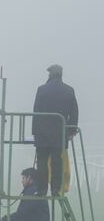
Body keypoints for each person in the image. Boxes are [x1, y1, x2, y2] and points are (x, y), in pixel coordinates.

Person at [32, 64, 78, 196]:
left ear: (50, 75)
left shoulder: (41, 89)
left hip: (43, 133)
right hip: (60, 133)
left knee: (42, 161)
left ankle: (41, 190)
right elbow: (74, 112)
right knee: (57, 161)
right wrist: (72, 130)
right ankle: (55, 189)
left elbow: (36, 112)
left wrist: (34, 132)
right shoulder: (69, 90)